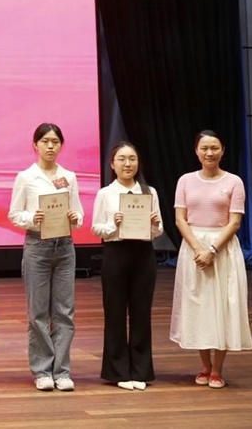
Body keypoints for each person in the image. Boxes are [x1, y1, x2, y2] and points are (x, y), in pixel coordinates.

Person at [170, 130, 252, 388]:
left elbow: (235, 222)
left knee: (224, 306)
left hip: (223, 249)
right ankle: (204, 365)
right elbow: (180, 219)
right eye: (204, 148)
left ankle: (218, 369)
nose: (209, 153)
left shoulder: (234, 182)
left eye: (214, 148)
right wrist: (198, 248)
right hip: (193, 248)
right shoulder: (185, 180)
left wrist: (212, 250)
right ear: (196, 151)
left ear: (222, 150)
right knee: (199, 306)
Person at [8, 123, 83, 392]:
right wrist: (33, 218)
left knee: (64, 311)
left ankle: (62, 371)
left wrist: (75, 217)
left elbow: (78, 213)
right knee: (38, 312)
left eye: (55, 142)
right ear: (35, 145)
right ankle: (42, 370)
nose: (50, 146)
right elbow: (15, 214)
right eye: (45, 141)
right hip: (37, 246)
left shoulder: (69, 177)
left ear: (61, 145)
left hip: (64, 246)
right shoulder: (26, 177)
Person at [91, 141, 162, 390]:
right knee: (115, 313)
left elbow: (158, 230)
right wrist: (114, 224)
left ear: (138, 163)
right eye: (121, 159)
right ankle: (118, 371)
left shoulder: (149, 192)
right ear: (112, 164)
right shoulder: (105, 194)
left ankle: (141, 371)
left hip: (143, 254)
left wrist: (154, 224)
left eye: (132, 159)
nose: (127, 164)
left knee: (141, 313)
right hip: (116, 253)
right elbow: (96, 228)